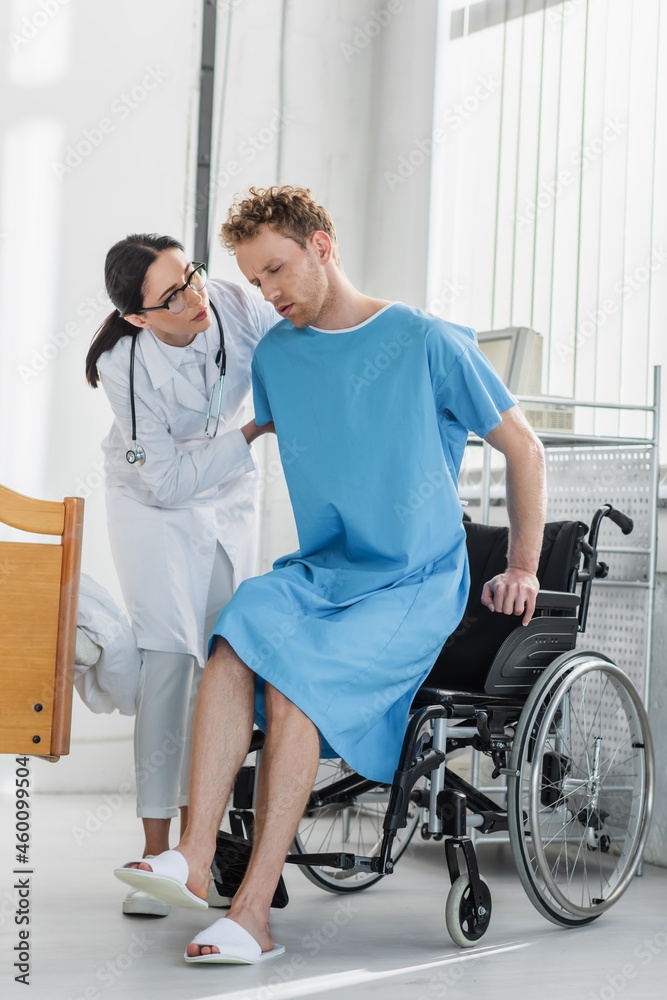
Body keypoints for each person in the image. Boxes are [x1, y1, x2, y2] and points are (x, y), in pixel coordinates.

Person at [114, 188, 546, 963]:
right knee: (239, 626)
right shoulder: (278, 355)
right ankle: (196, 856)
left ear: (322, 246)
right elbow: (235, 423)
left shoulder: (424, 339)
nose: (269, 293)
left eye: (277, 269)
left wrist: (520, 564)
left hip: (411, 581)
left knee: (292, 681)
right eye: (254, 280)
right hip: (320, 574)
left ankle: (251, 917)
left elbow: (523, 448)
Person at [87, 233, 277, 915]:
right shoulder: (123, 363)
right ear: (139, 316)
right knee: (169, 659)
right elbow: (164, 483)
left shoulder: (228, 302)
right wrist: (252, 433)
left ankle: (199, 849)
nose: (195, 296)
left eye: (190, 275)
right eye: (172, 296)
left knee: (225, 660)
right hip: (152, 505)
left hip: (225, 494)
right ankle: (155, 848)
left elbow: (297, 338)